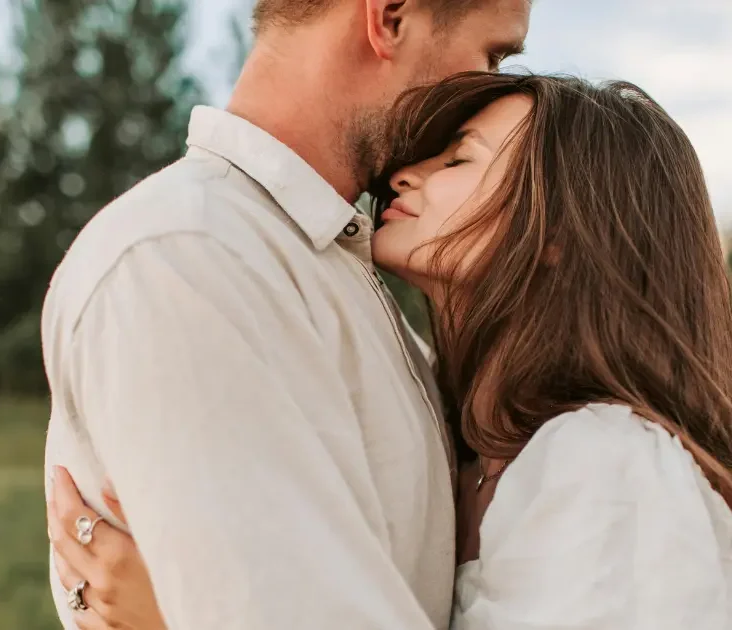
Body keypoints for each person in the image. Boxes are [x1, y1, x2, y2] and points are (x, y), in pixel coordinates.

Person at [49, 72, 732, 629]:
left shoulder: (608, 465)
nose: (405, 176)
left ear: (560, 230)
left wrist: (178, 618)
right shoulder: (459, 444)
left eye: (459, 158)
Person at [42, 0, 532, 628]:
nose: (491, 89)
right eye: (491, 54)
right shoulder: (187, 259)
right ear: (390, 19)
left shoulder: (324, 265)